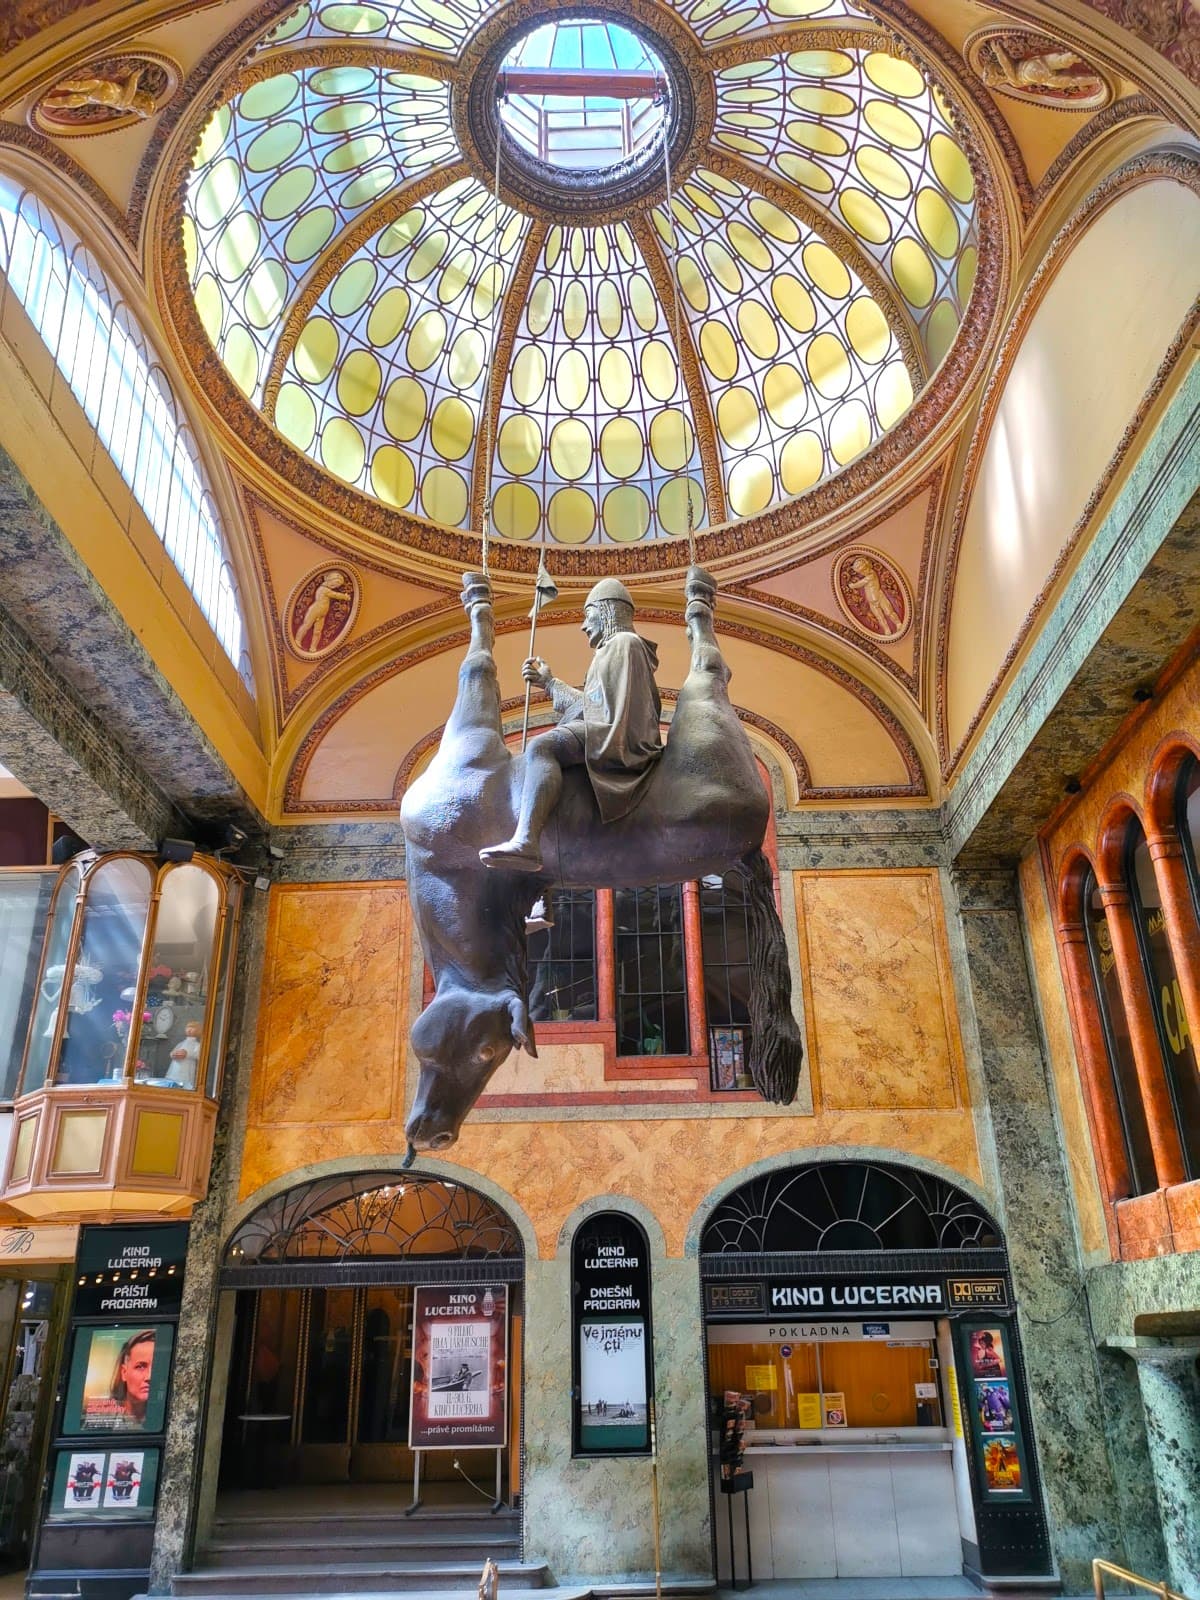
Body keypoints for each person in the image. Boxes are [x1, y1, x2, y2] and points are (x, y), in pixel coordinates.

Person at [480, 578, 662, 873]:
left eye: (587, 614)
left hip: (620, 735)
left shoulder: (624, 645)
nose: (583, 626)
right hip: (607, 726)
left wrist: (554, 687)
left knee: (542, 747)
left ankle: (527, 840)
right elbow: (595, 703)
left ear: (605, 611)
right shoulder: (613, 649)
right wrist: (549, 683)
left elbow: (608, 711)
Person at [109, 1329, 155, 1427]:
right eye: (140, 1366)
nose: (149, 1376)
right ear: (124, 1372)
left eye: (156, 1367)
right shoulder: (104, 1420)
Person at [166, 1020, 203, 1088]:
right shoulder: (181, 1043)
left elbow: (199, 1055)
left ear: (198, 1030)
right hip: (175, 1068)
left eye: (192, 1027)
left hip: (187, 1068)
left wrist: (187, 1054)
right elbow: (173, 1052)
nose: (189, 1029)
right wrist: (173, 1054)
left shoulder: (197, 1045)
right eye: (188, 1027)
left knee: (185, 1085)